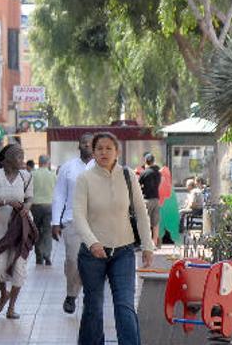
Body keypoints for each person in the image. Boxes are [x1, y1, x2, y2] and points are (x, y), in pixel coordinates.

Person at [74, 132, 154, 345]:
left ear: (117, 151)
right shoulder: (84, 179)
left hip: (124, 252)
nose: (104, 152)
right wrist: (92, 242)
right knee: (93, 306)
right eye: (99, 148)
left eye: (109, 148)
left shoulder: (128, 176)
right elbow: (78, 216)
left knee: (125, 305)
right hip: (92, 255)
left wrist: (148, 245)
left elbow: (141, 212)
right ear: (93, 151)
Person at [0, 144, 34, 319]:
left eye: (22, 156)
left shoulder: (26, 176)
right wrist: (6, 202)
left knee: (19, 266)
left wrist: (26, 206)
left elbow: (30, 197)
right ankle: (4, 293)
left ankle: (11, 307)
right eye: (18, 157)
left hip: (19, 227)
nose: (22, 160)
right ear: (8, 159)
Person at [51, 133, 94, 314]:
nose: (87, 146)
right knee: (72, 260)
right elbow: (59, 195)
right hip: (72, 221)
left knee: (94, 262)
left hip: (98, 223)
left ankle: (90, 295)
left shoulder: (104, 167)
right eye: (83, 143)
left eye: (90, 143)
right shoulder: (67, 168)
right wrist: (55, 221)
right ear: (79, 146)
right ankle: (71, 294)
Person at [31, 155, 57, 265]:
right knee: (47, 231)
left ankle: (39, 256)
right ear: (48, 163)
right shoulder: (53, 175)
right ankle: (47, 254)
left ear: (39, 162)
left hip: (35, 205)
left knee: (36, 231)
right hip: (49, 205)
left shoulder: (32, 175)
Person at [138, 153, 163, 249]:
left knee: (145, 222)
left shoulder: (144, 173)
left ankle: (146, 243)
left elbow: (138, 185)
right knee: (155, 223)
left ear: (145, 161)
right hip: (156, 199)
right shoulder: (158, 173)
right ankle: (154, 243)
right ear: (153, 161)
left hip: (146, 199)